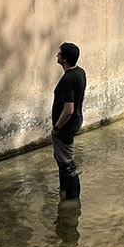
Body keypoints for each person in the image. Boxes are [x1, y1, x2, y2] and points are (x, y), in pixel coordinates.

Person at [50, 41, 87, 199]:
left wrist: (57, 128)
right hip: (76, 121)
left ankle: (72, 199)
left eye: (59, 54)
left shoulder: (67, 79)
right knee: (62, 159)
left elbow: (68, 109)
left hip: (65, 126)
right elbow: (82, 96)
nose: (57, 56)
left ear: (64, 59)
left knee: (67, 163)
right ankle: (64, 191)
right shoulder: (80, 72)